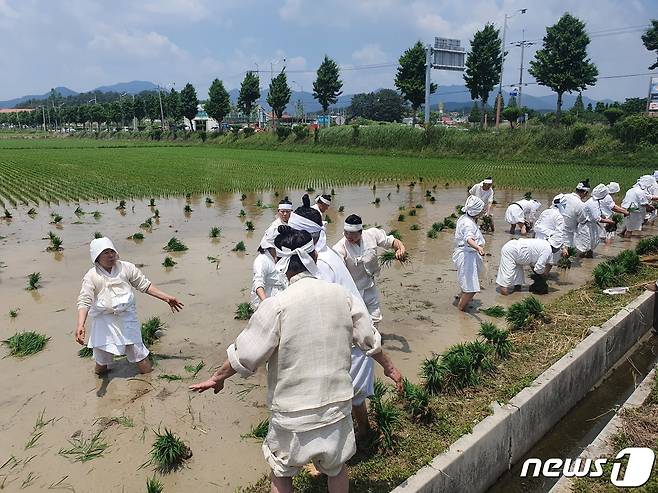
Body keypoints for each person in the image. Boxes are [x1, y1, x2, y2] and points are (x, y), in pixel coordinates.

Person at [190, 227, 402, 493]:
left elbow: (245, 354)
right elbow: (369, 339)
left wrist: (216, 377)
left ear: (282, 264)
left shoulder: (277, 305)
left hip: (292, 415)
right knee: (337, 468)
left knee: (282, 471)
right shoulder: (341, 296)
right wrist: (391, 368)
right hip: (336, 407)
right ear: (314, 254)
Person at [287, 195, 391, 442]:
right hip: (355, 339)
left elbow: (321, 314)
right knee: (353, 397)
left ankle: (330, 455)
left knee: (333, 400)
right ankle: (365, 433)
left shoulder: (319, 265)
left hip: (348, 343)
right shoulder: (327, 254)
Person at [76, 237, 183, 375]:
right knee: (102, 361)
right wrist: (80, 325)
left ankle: (149, 382)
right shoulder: (91, 276)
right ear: (96, 257)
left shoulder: (126, 268)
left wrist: (166, 298)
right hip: (104, 322)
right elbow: (84, 300)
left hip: (127, 318)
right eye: (105, 253)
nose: (110, 255)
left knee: (139, 354)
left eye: (112, 251)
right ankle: (99, 383)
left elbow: (145, 285)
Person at [333, 214, 406, 325]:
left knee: (375, 316)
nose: (348, 236)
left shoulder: (372, 235)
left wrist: (401, 248)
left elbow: (392, 242)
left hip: (369, 284)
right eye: (346, 232)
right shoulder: (340, 247)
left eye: (352, 233)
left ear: (360, 232)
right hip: (353, 290)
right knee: (355, 320)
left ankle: (374, 339)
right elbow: (337, 271)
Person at [496, 235, 565, 295]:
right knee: (506, 277)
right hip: (511, 251)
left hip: (518, 251)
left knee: (518, 276)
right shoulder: (548, 250)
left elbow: (534, 261)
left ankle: (516, 293)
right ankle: (504, 298)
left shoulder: (543, 242)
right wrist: (542, 276)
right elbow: (538, 268)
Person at [452, 196, 486, 311]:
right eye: (481, 209)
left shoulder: (465, 217)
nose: (483, 211)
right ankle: (460, 311)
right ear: (476, 211)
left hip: (466, 253)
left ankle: (460, 298)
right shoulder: (468, 224)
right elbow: (468, 239)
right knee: (472, 289)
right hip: (467, 255)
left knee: (467, 283)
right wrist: (478, 247)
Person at [575, 184, 616, 258]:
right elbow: (596, 218)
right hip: (586, 227)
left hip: (591, 226)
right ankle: (585, 263)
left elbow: (598, 214)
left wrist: (605, 218)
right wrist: (609, 221)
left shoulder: (595, 201)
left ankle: (588, 260)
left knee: (591, 245)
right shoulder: (592, 203)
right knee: (585, 247)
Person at [250, 232, 288, 310]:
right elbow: (258, 283)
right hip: (268, 298)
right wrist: (266, 303)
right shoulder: (262, 261)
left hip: (281, 296)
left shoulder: (277, 257)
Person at [534, 194, 567, 265]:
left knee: (537, 261)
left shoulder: (545, 211)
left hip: (537, 240)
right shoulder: (559, 217)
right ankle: (544, 274)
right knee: (550, 262)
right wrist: (563, 248)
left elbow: (536, 226)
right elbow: (559, 235)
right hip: (548, 243)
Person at [561, 180, 590, 247]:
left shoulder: (562, 196)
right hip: (567, 235)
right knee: (566, 255)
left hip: (554, 230)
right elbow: (582, 221)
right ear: (585, 192)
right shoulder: (581, 205)